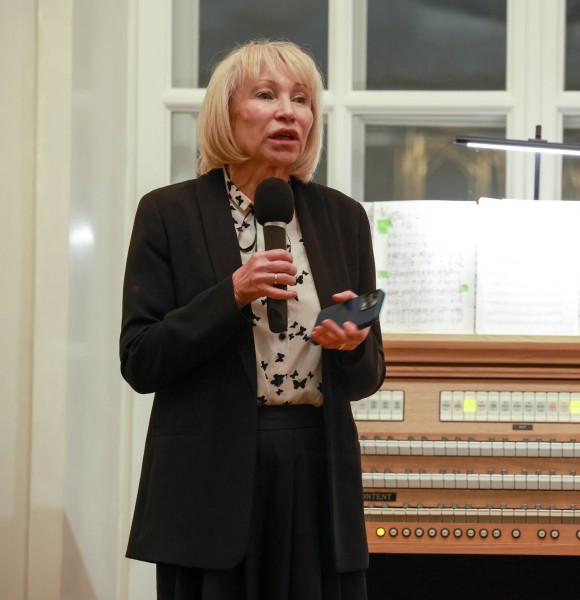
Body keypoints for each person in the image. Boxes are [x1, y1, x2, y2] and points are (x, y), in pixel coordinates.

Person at [120, 39, 385, 600]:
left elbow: (368, 377)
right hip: (208, 482)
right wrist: (232, 294)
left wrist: (350, 346)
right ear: (227, 112)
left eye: (301, 99)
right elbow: (141, 360)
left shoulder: (344, 217)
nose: (289, 112)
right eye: (266, 95)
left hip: (318, 471)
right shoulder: (168, 213)